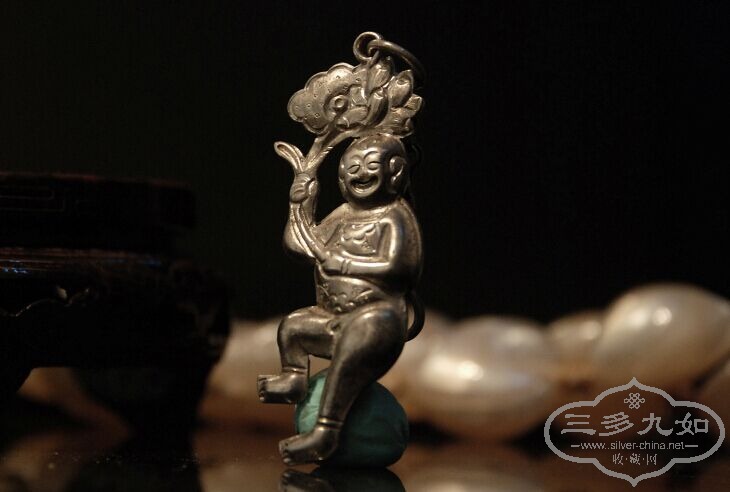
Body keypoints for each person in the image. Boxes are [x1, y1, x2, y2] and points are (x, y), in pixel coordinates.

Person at [257, 133, 423, 465]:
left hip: (377, 320)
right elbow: (301, 246)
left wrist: (345, 263)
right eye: (352, 167)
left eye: (370, 165)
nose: (360, 173)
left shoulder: (393, 215)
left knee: (346, 360)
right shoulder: (344, 214)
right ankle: (294, 378)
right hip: (334, 319)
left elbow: (400, 266)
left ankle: (326, 432)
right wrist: (300, 204)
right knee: (293, 326)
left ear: (395, 172)